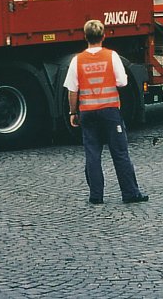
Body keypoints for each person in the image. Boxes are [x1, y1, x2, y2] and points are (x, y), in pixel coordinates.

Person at [64, 19, 148, 205]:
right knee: (120, 153)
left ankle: (96, 196)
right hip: (110, 111)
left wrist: (73, 113)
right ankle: (130, 193)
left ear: (85, 37)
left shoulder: (77, 60)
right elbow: (122, 82)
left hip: (87, 112)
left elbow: (72, 90)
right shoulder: (112, 56)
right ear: (103, 36)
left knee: (92, 154)